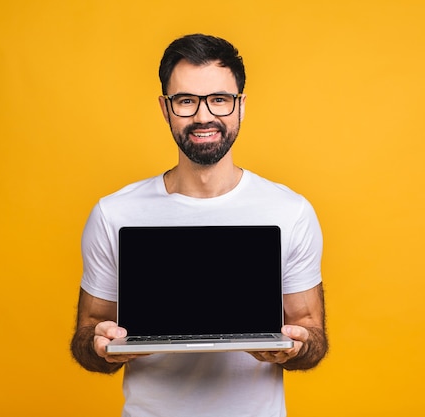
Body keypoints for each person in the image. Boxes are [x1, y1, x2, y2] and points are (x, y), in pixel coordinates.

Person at [70, 33, 328, 417]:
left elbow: (312, 334)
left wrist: (294, 346)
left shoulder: (289, 211)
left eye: (219, 100)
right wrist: (98, 343)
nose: (204, 116)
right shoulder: (114, 213)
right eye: (186, 101)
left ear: (240, 106)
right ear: (165, 108)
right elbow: (88, 333)